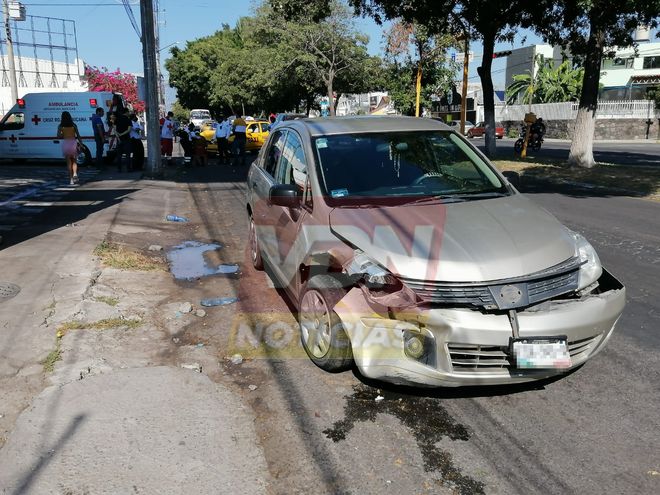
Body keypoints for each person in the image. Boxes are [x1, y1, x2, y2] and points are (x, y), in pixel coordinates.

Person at [57, 111, 83, 186]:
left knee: (68, 162)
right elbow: (78, 135)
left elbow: (58, 135)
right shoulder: (74, 125)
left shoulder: (60, 126)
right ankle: (75, 173)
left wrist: (63, 134)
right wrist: (81, 144)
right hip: (73, 143)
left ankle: (71, 180)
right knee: (74, 161)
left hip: (66, 143)